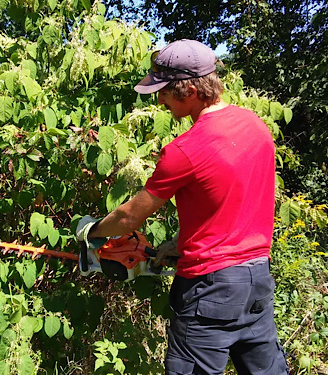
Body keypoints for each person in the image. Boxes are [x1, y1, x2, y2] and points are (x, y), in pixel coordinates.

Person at [76, 39, 290, 374]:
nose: (159, 99)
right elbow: (235, 199)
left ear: (190, 89)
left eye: (163, 91)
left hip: (210, 290)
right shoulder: (256, 126)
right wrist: (183, 242)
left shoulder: (185, 149)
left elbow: (130, 216)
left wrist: (93, 232)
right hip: (258, 280)